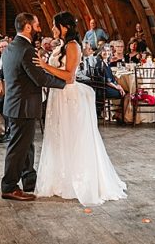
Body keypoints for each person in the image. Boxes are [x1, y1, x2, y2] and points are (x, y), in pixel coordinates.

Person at [32, 11, 127, 205]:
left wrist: (44, 65)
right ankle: (62, 178)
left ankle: (79, 180)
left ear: (64, 27)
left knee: (73, 137)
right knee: (59, 137)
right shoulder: (62, 46)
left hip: (70, 96)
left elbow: (70, 76)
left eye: (54, 25)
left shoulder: (73, 46)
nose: (52, 29)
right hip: (59, 95)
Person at [0, 13, 69, 201]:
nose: (39, 28)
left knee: (26, 145)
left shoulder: (11, 48)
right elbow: (39, 77)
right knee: (18, 148)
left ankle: (29, 181)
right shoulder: (26, 50)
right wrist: (66, 83)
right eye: (36, 25)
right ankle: (9, 186)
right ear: (28, 27)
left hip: (14, 104)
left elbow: (9, 73)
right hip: (23, 105)